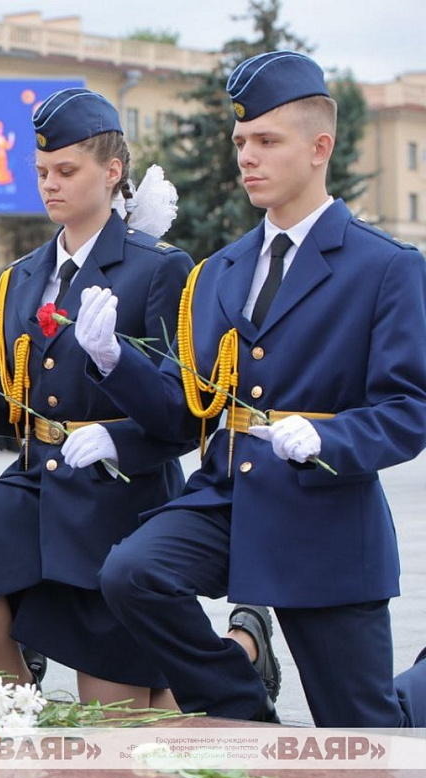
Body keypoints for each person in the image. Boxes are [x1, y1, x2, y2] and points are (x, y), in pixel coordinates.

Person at [80, 51, 426, 726]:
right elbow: (184, 412)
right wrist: (115, 360)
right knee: (133, 572)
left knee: (366, 736)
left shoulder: (384, 266)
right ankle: (242, 706)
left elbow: (409, 410)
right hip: (229, 501)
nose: (247, 157)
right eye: (241, 141)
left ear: (320, 147)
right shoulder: (221, 271)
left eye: (267, 140)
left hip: (324, 515)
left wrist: (329, 436)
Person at [0, 90, 194, 707]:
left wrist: (116, 391)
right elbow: (10, 409)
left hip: (119, 498)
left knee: (118, 716)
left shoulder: (158, 269)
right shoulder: (21, 277)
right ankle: (17, 689)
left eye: (66, 170)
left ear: (112, 172)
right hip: (40, 483)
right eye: (41, 172)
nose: (50, 185)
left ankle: (239, 654)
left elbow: (182, 414)